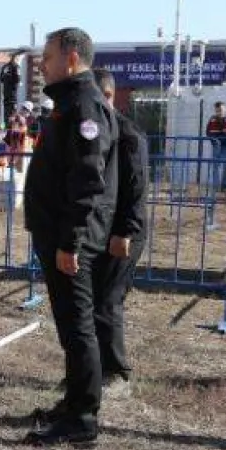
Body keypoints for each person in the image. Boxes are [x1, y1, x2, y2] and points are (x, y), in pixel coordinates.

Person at [22, 27, 118, 447]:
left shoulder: (83, 106)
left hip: (70, 237)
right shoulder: (67, 104)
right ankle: (73, 400)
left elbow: (87, 181)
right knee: (69, 323)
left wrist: (71, 241)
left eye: (48, 57)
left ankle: (82, 419)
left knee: (79, 326)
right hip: (57, 232)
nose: (42, 65)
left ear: (72, 59)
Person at [90, 70, 147, 399]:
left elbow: (136, 189)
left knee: (107, 301)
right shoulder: (94, 132)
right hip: (98, 230)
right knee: (93, 301)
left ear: (108, 96)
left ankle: (116, 371)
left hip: (122, 232)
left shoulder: (128, 135)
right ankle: (91, 370)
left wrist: (125, 231)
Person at [206, 100, 226, 186]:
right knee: (216, 166)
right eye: (218, 110)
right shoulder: (212, 119)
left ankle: (224, 186)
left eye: (221, 109)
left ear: (225, 109)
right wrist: (214, 141)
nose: (219, 112)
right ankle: (216, 186)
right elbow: (208, 132)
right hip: (216, 146)